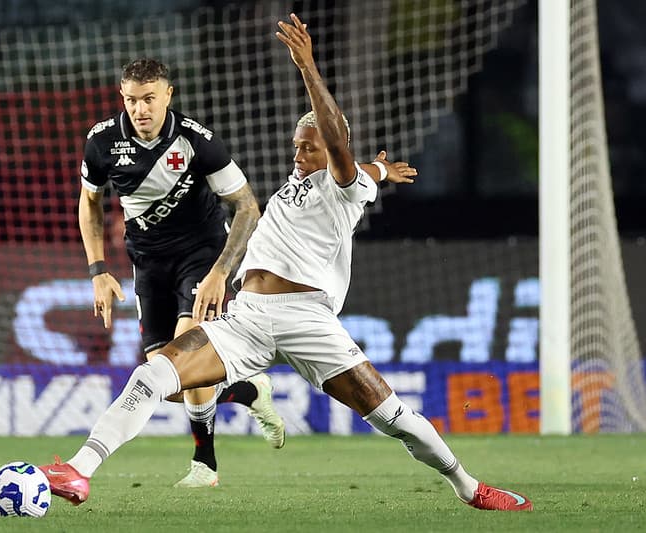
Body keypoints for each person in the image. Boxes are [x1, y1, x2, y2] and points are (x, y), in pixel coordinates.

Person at [40, 14, 532, 512]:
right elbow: (360, 164)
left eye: (309, 147)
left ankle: (469, 486)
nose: (298, 155)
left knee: (392, 417)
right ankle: (79, 471)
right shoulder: (307, 183)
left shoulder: (344, 187)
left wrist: (307, 67)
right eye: (296, 146)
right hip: (248, 317)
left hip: (307, 319)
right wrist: (382, 169)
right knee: (152, 375)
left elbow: (339, 144)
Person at [73, 58, 285, 488]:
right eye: (132, 100)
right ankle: (250, 391)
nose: (140, 109)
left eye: (149, 98)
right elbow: (90, 202)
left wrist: (221, 271)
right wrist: (98, 270)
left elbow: (247, 207)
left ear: (168, 95)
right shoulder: (102, 142)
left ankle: (205, 464)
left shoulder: (196, 140)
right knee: (166, 383)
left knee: (183, 361)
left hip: (200, 258)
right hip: (148, 264)